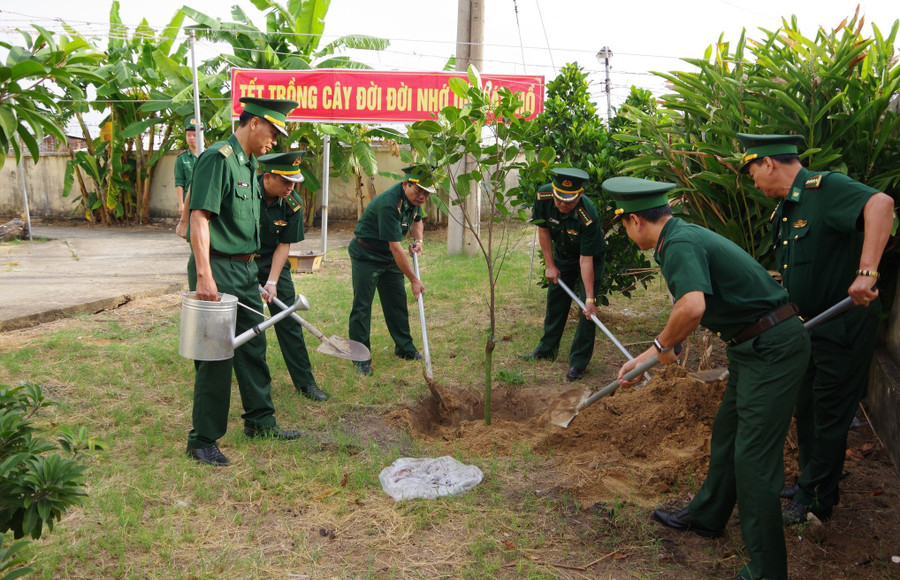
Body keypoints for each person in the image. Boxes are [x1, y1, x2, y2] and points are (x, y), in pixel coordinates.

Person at [605, 175, 811, 580]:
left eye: (624, 226)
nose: (627, 233)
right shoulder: (679, 236)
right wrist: (651, 353)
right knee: (728, 432)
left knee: (754, 459)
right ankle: (708, 515)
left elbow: (693, 306)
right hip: (753, 346)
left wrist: (662, 346)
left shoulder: (677, 244)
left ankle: (767, 570)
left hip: (772, 350)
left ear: (635, 221)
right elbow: (687, 317)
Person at [736, 133, 894, 524]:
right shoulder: (788, 210)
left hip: (842, 326)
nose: (754, 182)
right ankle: (814, 479)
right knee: (805, 408)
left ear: (769, 163)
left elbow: (882, 204)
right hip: (806, 329)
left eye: (753, 171)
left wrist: (867, 272)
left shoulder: (825, 189)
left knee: (829, 413)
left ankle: (816, 498)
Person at [185, 96, 302, 467]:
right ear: (254, 124)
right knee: (215, 355)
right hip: (217, 269)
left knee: (253, 345)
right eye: (272, 132)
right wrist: (204, 274)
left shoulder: (251, 166)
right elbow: (199, 218)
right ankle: (203, 439)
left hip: (245, 269)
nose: (274, 141)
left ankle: (260, 421)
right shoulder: (217, 158)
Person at [519, 168, 606, 381]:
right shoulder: (544, 196)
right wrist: (550, 265)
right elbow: (544, 230)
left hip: (589, 259)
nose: (562, 205)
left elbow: (585, 260)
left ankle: (578, 362)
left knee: (587, 311)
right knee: (556, 300)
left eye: (569, 201)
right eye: (559, 199)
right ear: (554, 192)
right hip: (562, 255)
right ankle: (546, 349)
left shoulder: (588, 214)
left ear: (580, 194)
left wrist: (589, 298)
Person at [255, 151, 328, 402]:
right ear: (267, 177)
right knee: (248, 324)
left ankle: (305, 383)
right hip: (240, 262)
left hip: (273, 261)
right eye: (285, 182)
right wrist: (251, 279)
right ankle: (251, 383)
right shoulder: (243, 194)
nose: (291, 187)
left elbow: (284, 245)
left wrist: (272, 282)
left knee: (288, 319)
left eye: (294, 181)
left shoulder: (292, 203)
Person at [348, 165, 433, 376]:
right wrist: (414, 279)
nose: (422, 196)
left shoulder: (414, 200)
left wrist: (419, 240)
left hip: (388, 256)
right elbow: (396, 247)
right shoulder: (389, 204)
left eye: (426, 193)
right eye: (418, 190)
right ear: (406, 184)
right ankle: (360, 357)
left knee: (396, 302)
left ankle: (404, 348)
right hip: (367, 254)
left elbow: (417, 219)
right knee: (362, 306)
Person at [175, 115, 201, 239]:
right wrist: (181, 204)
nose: (191, 138)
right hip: (189, 202)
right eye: (188, 135)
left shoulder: (209, 155)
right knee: (191, 235)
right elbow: (179, 182)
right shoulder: (181, 158)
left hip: (205, 201)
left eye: (194, 135)